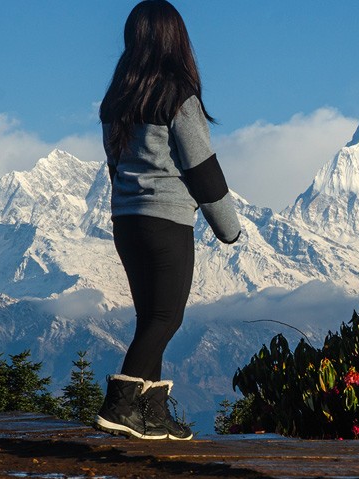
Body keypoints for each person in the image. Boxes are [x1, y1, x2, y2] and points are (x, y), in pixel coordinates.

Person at [96, 0, 242, 441]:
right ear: (175, 41)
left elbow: (115, 165)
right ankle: (120, 406)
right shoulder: (178, 97)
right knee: (166, 318)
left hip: (127, 221)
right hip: (167, 222)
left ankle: (152, 415)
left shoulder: (115, 103)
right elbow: (202, 168)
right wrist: (228, 228)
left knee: (149, 318)